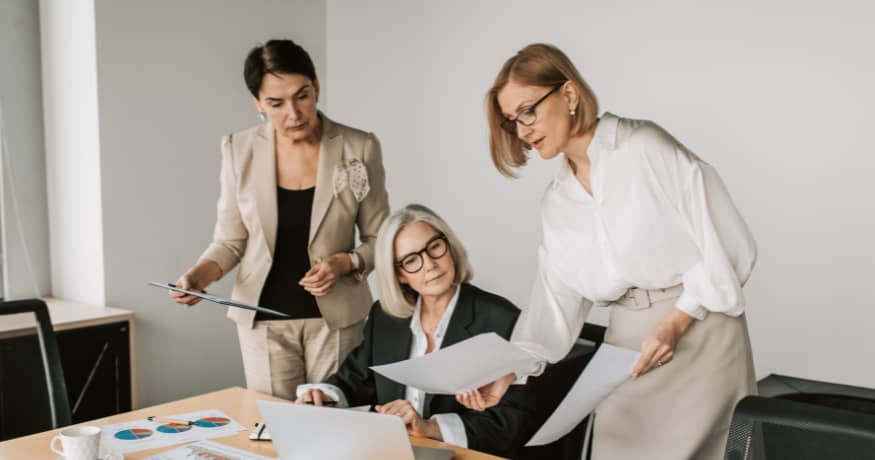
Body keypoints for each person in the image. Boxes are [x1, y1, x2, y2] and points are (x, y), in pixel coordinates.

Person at [460, 43, 757, 460]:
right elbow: (555, 305)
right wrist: (510, 370)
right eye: (511, 121)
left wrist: (676, 322)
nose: (522, 129)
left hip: (702, 335)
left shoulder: (643, 146)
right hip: (628, 345)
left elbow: (729, 243)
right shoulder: (557, 201)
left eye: (528, 110)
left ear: (568, 94)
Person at [170, 39, 389, 400]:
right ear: (257, 103)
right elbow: (230, 240)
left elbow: (381, 238)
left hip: (336, 320)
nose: (294, 113)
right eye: (276, 103)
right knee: (274, 434)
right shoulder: (237, 148)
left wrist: (345, 261)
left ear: (316, 87)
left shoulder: (359, 146)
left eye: (302, 95)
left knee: (335, 429)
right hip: (261, 320)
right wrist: (197, 276)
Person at [295, 204, 534, 458]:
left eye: (434, 247)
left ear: (449, 247)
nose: (429, 264)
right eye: (411, 260)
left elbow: (511, 422)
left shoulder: (501, 319)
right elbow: (355, 379)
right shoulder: (385, 317)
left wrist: (431, 428)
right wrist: (324, 396)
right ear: (399, 275)